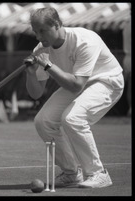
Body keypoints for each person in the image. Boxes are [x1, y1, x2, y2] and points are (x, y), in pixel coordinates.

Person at [24, 8, 124, 188]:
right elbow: (36, 93)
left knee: (73, 118)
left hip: (107, 81)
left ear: (57, 24)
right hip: (75, 82)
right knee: (43, 121)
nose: (38, 37)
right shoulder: (41, 49)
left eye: (42, 31)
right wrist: (31, 74)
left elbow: (76, 85)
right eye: (35, 32)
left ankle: (98, 173)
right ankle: (71, 173)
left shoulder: (84, 40)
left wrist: (48, 64)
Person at [122, 19, 131, 116]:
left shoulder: (126, 24)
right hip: (129, 56)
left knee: (129, 85)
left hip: (127, 57)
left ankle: (130, 108)